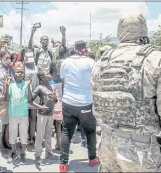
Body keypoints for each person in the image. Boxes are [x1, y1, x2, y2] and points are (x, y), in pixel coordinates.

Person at [91, 12, 161, 172]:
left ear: (119, 31)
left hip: (107, 145)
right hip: (141, 152)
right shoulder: (158, 59)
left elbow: (97, 103)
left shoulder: (101, 62)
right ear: (144, 29)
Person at [59, 40, 99, 172]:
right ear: (86, 48)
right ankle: (92, 159)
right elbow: (96, 80)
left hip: (68, 102)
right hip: (85, 102)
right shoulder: (90, 62)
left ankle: (63, 164)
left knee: (66, 132)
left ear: (75, 48)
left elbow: (62, 77)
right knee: (90, 131)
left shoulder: (66, 61)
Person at [30, 71, 58, 165]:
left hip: (50, 115)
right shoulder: (39, 88)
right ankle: (37, 155)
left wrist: (54, 99)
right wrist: (40, 107)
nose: (49, 74)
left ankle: (48, 153)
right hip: (42, 115)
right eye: (46, 73)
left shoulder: (51, 86)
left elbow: (55, 101)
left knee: (48, 135)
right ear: (42, 77)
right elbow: (30, 100)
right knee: (40, 135)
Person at [5, 63, 30, 164]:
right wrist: (6, 86)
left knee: (23, 135)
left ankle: (23, 153)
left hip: (24, 114)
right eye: (18, 72)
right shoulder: (11, 85)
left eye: (22, 72)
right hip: (13, 115)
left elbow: (30, 98)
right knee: (13, 135)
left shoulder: (26, 84)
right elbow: (7, 99)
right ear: (13, 73)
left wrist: (28, 86)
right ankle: (14, 152)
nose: (20, 73)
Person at [50, 60, 64, 150]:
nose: (59, 66)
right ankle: (50, 145)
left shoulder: (61, 77)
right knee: (51, 124)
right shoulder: (48, 77)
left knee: (58, 124)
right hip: (50, 104)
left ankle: (58, 143)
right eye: (57, 65)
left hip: (59, 103)